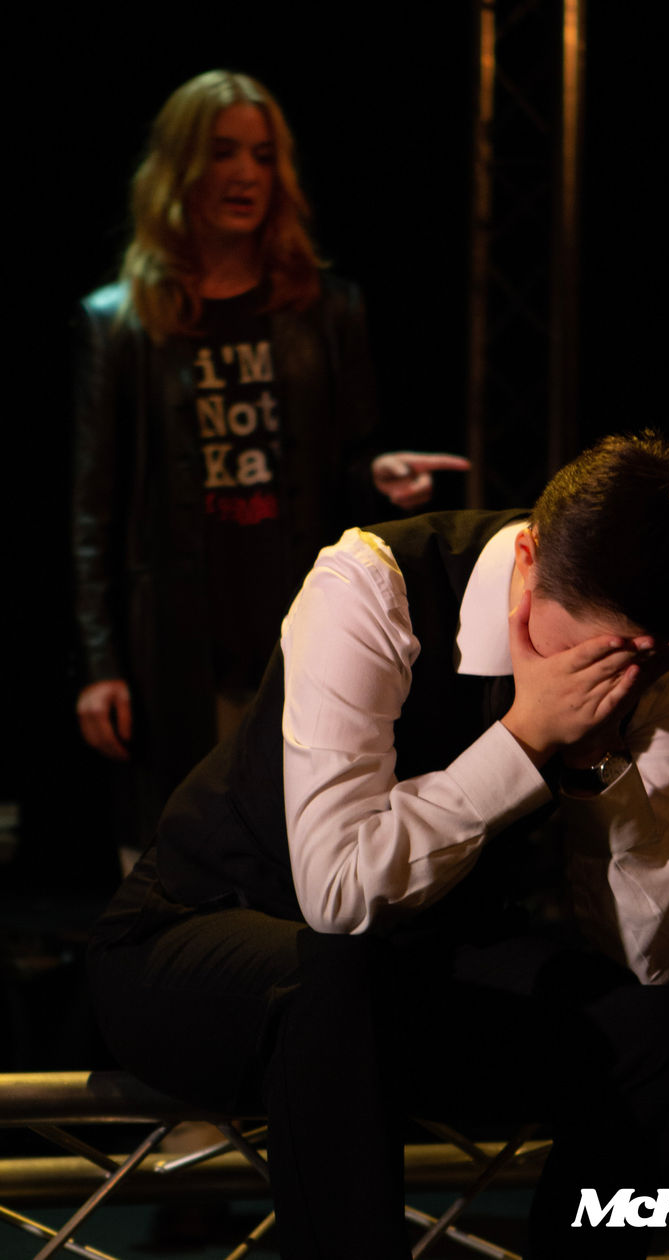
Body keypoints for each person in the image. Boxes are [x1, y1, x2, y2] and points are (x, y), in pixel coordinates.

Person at [87, 431, 669, 1259]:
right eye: (595, 655)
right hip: (192, 944)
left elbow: (661, 955)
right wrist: (525, 738)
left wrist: (602, 764)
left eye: (648, 660)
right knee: (334, 974)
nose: (616, 683)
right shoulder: (369, 581)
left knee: (663, 1028)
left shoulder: (658, 659)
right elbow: (337, 894)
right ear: (529, 561)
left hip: (405, 969)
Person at [72, 69, 468, 868]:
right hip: (175, 650)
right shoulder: (121, 324)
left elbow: (350, 460)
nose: (245, 174)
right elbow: (95, 510)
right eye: (222, 152)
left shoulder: (325, 310)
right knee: (170, 865)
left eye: (261, 155)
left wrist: (379, 474)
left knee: (297, 865)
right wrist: (101, 665)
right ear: (180, 166)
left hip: (297, 635)